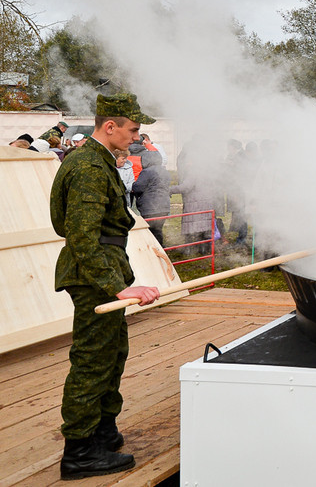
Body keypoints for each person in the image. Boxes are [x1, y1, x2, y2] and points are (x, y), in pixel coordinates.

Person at [49, 93, 160, 480]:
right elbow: (81, 234)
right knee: (92, 362)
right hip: (92, 273)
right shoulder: (89, 167)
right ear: (109, 126)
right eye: (132, 129)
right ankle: (78, 452)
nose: (136, 136)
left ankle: (101, 430)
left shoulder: (99, 160)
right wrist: (116, 286)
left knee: (113, 354)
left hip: (103, 267)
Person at [132, 145, 171, 246]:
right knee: (158, 230)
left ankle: (153, 251)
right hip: (164, 206)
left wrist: (132, 185)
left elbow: (138, 187)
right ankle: (161, 249)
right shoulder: (164, 171)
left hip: (150, 207)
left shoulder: (147, 172)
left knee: (150, 231)